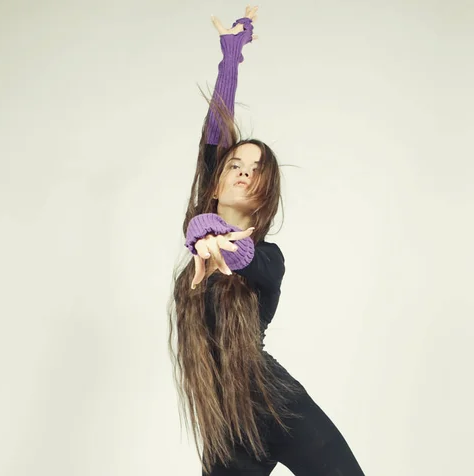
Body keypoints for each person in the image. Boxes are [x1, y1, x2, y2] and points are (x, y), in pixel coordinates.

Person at [167, 6, 366, 475]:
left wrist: (206, 234)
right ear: (216, 182)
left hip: (278, 405)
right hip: (227, 425)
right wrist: (230, 60)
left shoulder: (267, 259)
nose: (245, 172)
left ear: (262, 197)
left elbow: (241, 253)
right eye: (236, 164)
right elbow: (215, 136)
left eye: (257, 171)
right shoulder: (200, 229)